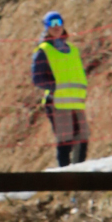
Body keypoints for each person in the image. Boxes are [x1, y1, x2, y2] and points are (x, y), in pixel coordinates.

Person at [31, 11, 89, 166]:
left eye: (59, 22)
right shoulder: (43, 50)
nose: (56, 27)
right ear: (46, 27)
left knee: (82, 139)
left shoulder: (73, 49)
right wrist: (56, 87)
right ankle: (65, 174)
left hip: (76, 102)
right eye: (52, 24)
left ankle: (79, 171)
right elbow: (37, 79)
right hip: (57, 102)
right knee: (65, 142)